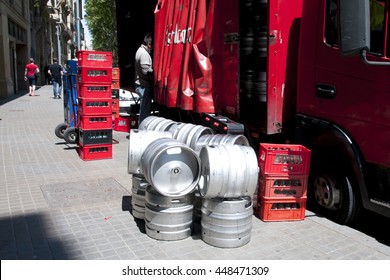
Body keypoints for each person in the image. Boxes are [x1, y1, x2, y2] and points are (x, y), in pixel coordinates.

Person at [134, 34, 154, 124]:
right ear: (149, 44)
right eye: (153, 46)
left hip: (140, 84)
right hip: (143, 86)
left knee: (144, 110)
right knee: (145, 111)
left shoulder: (140, 51)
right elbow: (146, 72)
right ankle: (142, 129)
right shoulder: (144, 54)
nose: (153, 48)